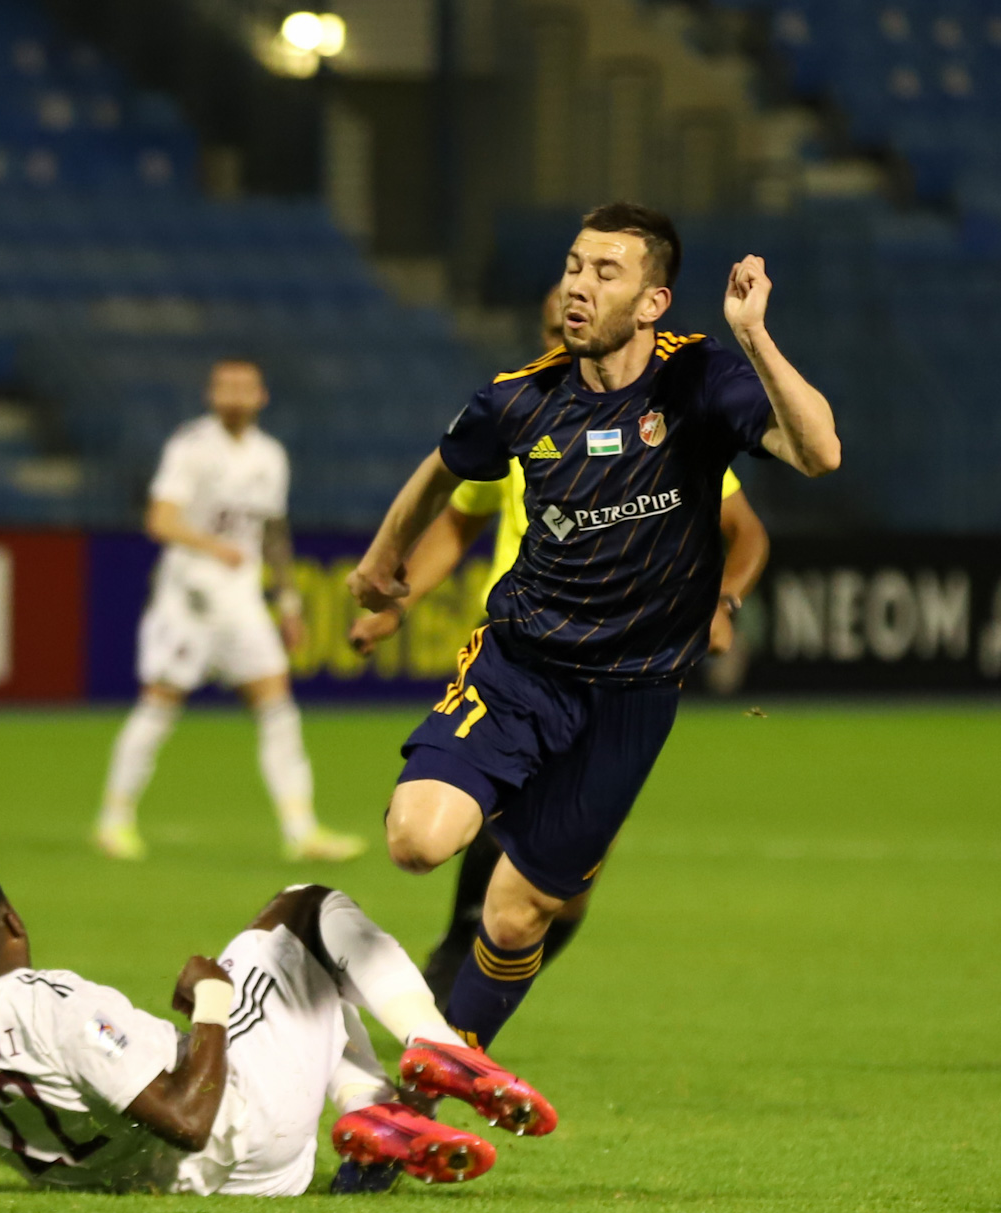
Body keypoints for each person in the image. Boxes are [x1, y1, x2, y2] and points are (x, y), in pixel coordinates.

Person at [346, 202, 840, 1051]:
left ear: (653, 302)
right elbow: (443, 469)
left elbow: (819, 452)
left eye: (605, 273)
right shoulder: (520, 400)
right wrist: (383, 558)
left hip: (633, 698)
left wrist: (754, 335)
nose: (578, 285)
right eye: (574, 266)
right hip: (520, 667)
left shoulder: (700, 380)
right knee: (418, 841)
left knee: (517, 914)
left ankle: (428, 1095)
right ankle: (324, 968)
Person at [0, 861, 556, 1197]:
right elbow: (188, 1121)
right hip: (240, 1138)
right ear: (13, 921)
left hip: (154, 1183)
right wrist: (210, 1000)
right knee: (302, 911)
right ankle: (431, 1040)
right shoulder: (58, 1003)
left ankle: (375, 1112)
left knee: (314, 990)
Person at [92, 359, 364, 863]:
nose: (236, 396)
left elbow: (273, 533)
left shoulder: (270, 456)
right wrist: (211, 546)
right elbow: (160, 520)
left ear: (261, 396)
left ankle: (301, 830)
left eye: (245, 388)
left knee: (277, 705)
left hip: (240, 599)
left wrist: (287, 601)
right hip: (189, 597)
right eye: (226, 387)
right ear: (211, 395)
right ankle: (113, 820)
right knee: (160, 703)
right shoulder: (191, 447)